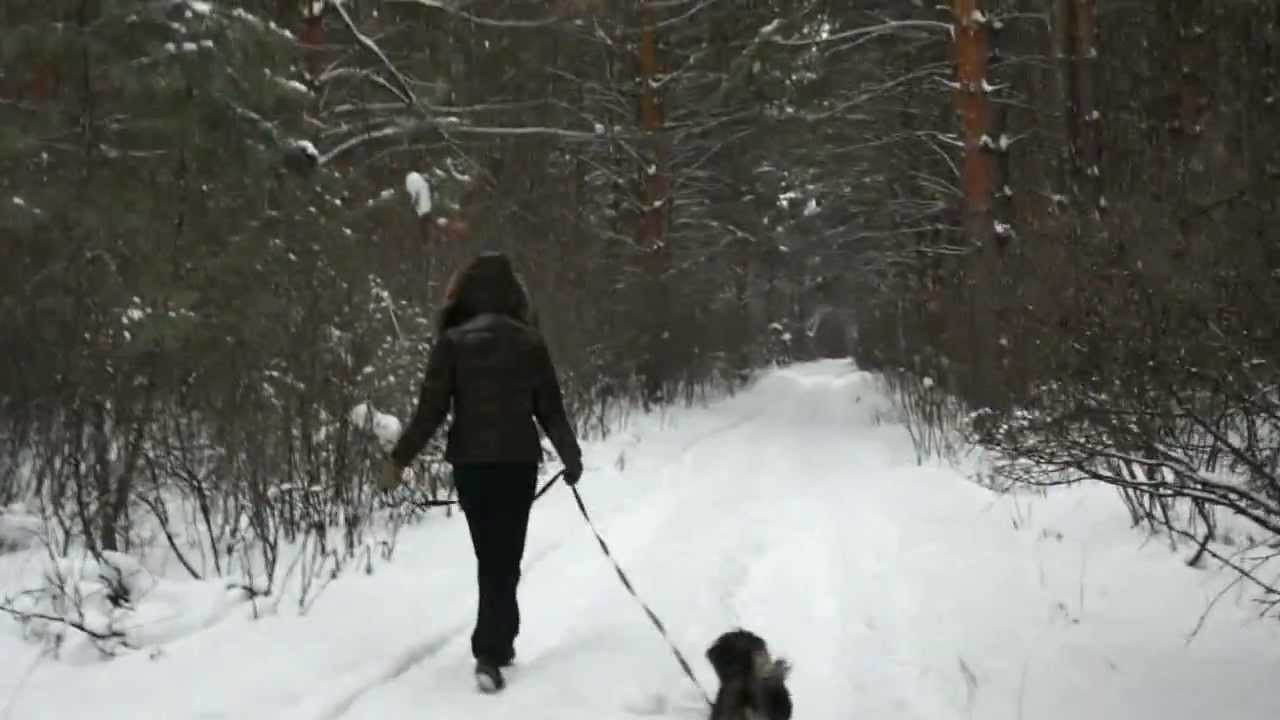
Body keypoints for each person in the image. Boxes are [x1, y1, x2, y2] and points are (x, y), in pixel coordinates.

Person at [381, 251, 584, 693]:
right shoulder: (529, 342)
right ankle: (492, 648)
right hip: (517, 463)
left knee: (490, 557)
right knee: (504, 557)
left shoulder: (452, 342)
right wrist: (571, 456)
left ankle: (495, 645)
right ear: (513, 293)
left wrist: (399, 459)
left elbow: (429, 413)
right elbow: (550, 408)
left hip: (471, 466)